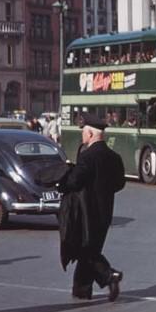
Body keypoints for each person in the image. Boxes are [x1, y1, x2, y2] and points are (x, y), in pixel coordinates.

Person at [58, 114, 127, 301]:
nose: (82, 136)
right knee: (90, 249)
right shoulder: (114, 157)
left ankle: (109, 275)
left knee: (85, 249)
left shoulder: (87, 157)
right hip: (105, 212)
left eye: (83, 132)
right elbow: (120, 183)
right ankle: (81, 289)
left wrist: (65, 176)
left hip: (85, 212)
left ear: (89, 133)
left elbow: (74, 181)